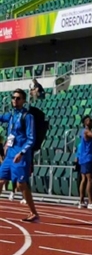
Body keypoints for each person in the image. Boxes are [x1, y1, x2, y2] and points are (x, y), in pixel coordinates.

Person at [0, 89, 39, 222]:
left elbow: (31, 138)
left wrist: (21, 153)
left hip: (20, 155)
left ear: (23, 100)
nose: (15, 100)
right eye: (13, 98)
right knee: (0, 180)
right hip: (9, 155)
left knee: (21, 184)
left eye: (18, 98)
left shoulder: (27, 117)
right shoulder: (11, 115)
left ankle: (34, 213)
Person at [77, 115, 92, 209]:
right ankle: (90, 201)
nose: (91, 122)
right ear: (85, 123)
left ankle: (81, 200)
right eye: (89, 121)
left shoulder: (85, 131)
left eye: (91, 120)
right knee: (89, 179)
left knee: (84, 179)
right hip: (87, 158)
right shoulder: (86, 131)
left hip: (85, 158)